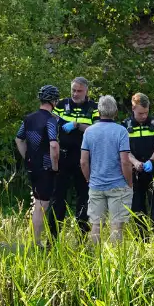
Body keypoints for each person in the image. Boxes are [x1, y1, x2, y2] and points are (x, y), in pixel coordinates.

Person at [80, 95, 133, 244]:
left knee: (96, 225)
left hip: (96, 185)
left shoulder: (89, 131)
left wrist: (89, 179)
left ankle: (96, 261)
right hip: (118, 185)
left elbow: (83, 162)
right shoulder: (121, 131)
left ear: (98, 111)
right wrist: (129, 182)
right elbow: (125, 161)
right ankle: (116, 263)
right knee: (117, 227)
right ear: (115, 111)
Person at [51, 77, 99, 237]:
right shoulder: (61, 105)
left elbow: (97, 130)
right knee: (58, 198)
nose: (75, 94)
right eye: (73, 90)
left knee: (84, 197)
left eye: (79, 91)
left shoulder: (94, 108)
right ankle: (53, 238)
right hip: (63, 156)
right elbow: (52, 122)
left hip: (83, 157)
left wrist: (77, 125)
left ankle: (82, 238)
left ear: (86, 91)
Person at [15, 85, 61, 248]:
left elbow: (19, 139)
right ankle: (36, 243)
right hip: (46, 168)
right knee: (42, 206)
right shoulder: (51, 120)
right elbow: (54, 145)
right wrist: (55, 166)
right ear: (53, 101)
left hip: (32, 166)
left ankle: (34, 241)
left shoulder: (28, 118)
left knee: (37, 203)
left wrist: (27, 157)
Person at [124, 93, 154, 232]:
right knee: (137, 208)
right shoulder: (125, 125)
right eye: (141, 113)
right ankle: (141, 241)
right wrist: (135, 162)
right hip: (135, 171)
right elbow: (124, 151)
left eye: (146, 112)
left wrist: (151, 161)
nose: (144, 116)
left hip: (153, 168)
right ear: (133, 108)